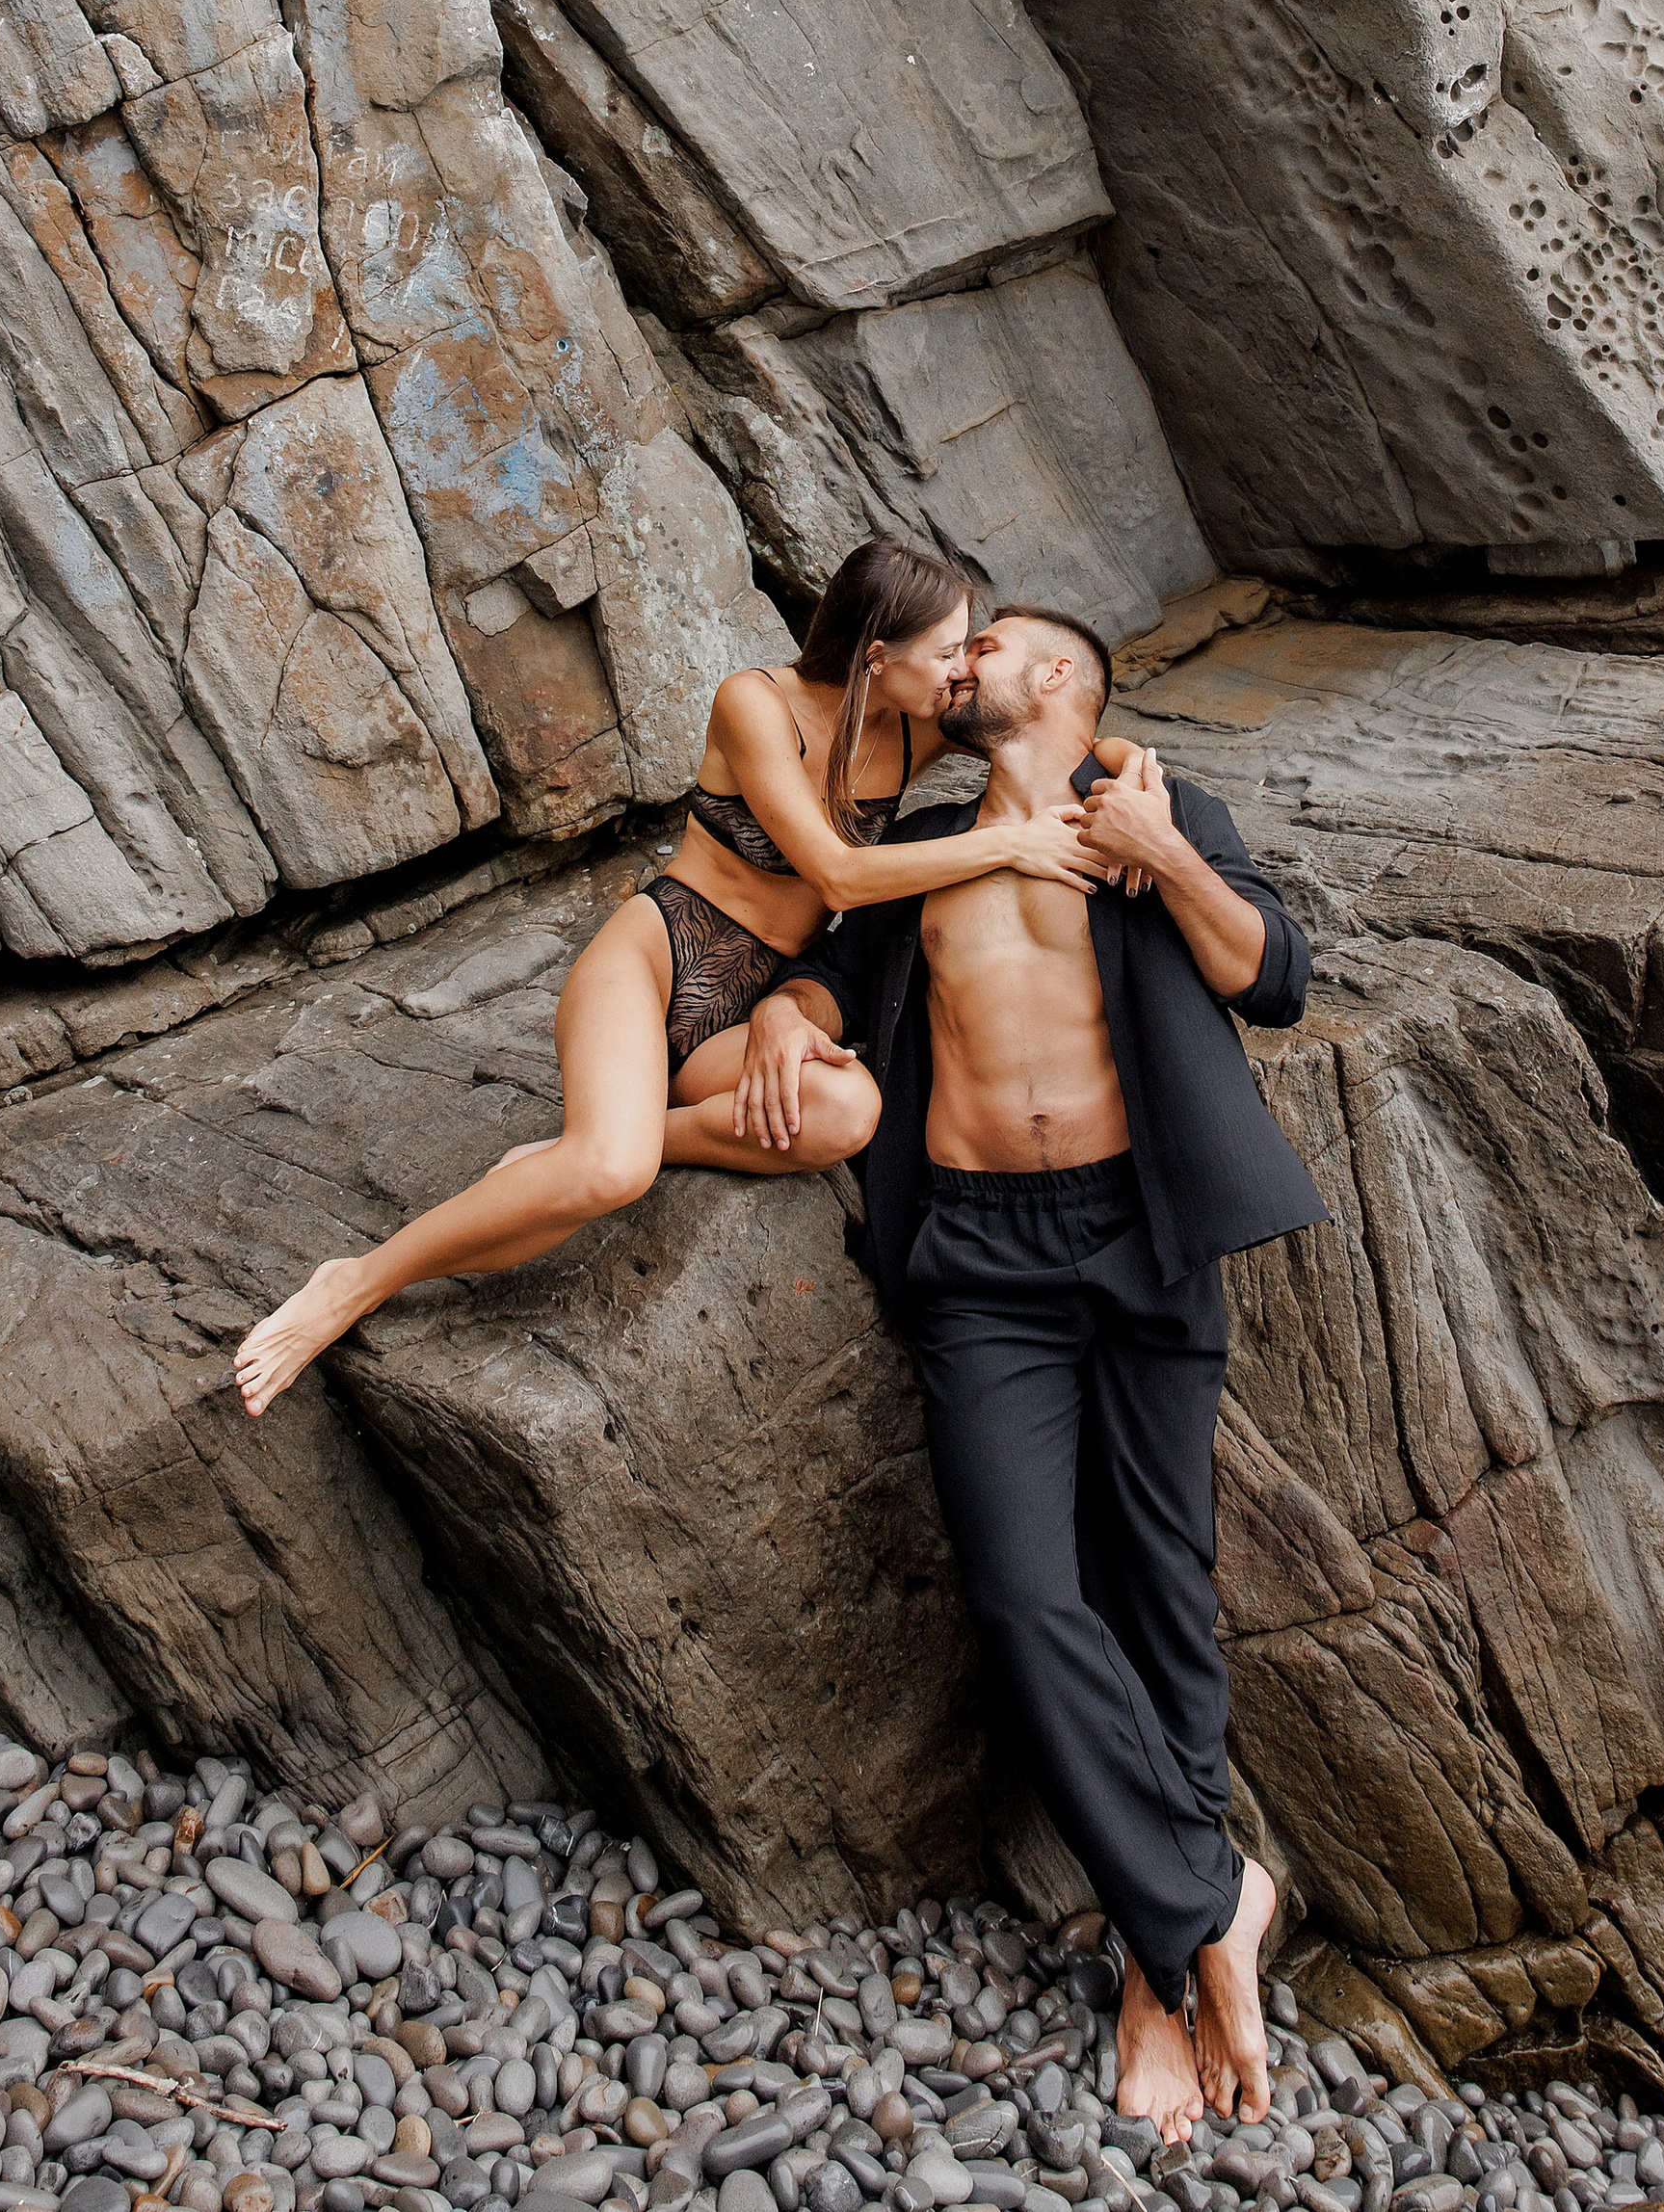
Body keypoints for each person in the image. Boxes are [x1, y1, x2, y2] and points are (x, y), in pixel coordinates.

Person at [787, 604, 1327, 2141]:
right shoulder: (940, 841)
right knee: (1030, 1594)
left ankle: (1163, 1972)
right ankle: (1216, 1903)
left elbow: (1270, 975)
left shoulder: (1157, 807)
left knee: (1162, 1582)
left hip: (1139, 1235)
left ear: (1066, 682)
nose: (967, 662)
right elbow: (840, 974)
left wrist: (1165, 852)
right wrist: (781, 1014)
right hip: (982, 1261)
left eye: (997, 639)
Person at [232, 537, 1115, 1415]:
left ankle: (611, 1140)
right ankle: (355, 1282)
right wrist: (1004, 843)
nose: (962, 669)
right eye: (949, 649)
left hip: (753, 1002)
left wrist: (1132, 775)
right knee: (607, 1179)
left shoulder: (917, 725)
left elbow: (1054, 733)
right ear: (878, 656)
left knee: (846, 1111)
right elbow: (836, 876)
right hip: (659, 956)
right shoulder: (755, 704)